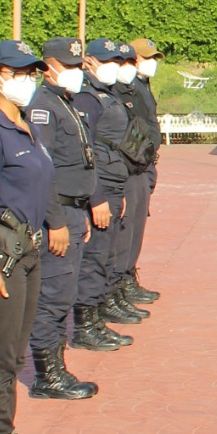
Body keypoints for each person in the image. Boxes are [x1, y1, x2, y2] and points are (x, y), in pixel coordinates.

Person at [0, 40, 65, 434]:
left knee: (14, 352)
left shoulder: (25, 125)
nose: (27, 78)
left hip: (28, 249)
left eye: (32, 71)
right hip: (4, 255)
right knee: (1, 353)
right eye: (18, 71)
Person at [22, 39, 102, 397]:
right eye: (67, 65)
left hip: (72, 209)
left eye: (76, 64)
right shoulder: (43, 108)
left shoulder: (63, 103)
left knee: (63, 292)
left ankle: (57, 367)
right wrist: (55, 221)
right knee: (53, 295)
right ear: (48, 67)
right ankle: (47, 375)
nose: (75, 72)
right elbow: (44, 170)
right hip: (57, 214)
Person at [68, 38, 134, 351]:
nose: (114, 66)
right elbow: (87, 150)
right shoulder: (86, 97)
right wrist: (96, 197)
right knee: (94, 258)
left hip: (113, 181)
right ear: (89, 61)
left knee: (104, 255)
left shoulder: (104, 94)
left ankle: (96, 317)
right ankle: (84, 326)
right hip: (101, 186)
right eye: (107, 60)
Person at [115, 36, 165, 305]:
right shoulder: (127, 87)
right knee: (127, 228)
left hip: (144, 163)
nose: (151, 64)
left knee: (137, 225)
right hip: (133, 164)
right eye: (147, 59)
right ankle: (121, 281)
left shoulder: (142, 85)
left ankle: (128, 276)